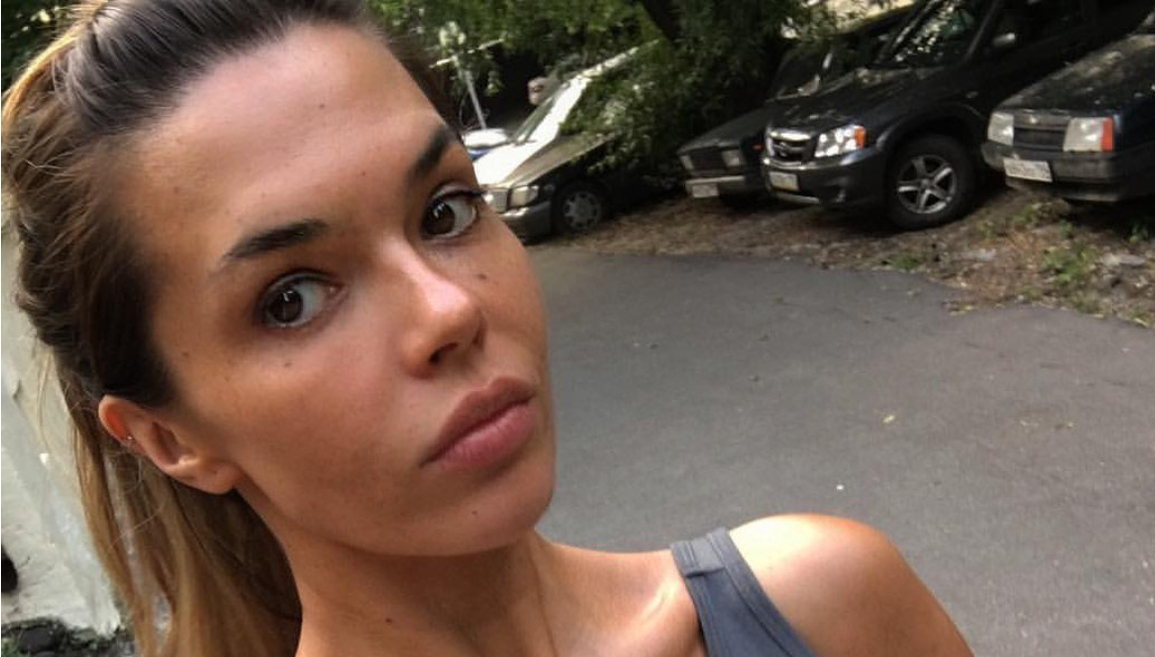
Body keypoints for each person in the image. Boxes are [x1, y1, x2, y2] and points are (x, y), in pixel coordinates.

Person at [0, 1, 974, 656]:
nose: (449, 309)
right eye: (291, 297)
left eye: (445, 211)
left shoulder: (826, 609)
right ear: (170, 438)